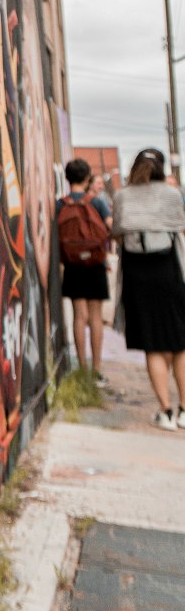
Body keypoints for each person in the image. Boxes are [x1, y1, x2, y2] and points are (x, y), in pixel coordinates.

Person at [111, 148, 185, 431]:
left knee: (153, 343)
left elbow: (117, 231)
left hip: (137, 275)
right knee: (180, 343)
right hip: (170, 271)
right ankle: (184, 410)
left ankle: (165, 411)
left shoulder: (122, 195)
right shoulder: (171, 194)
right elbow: (179, 225)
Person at [57, 158, 111, 380]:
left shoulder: (60, 204)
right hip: (95, 264)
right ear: (87, 178)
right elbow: (109, 227)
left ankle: (81, 367)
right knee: (95, 317)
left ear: (67, 178)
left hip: (72, 265)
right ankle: (97, 369)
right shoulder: (96, 203)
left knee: (79, 315)